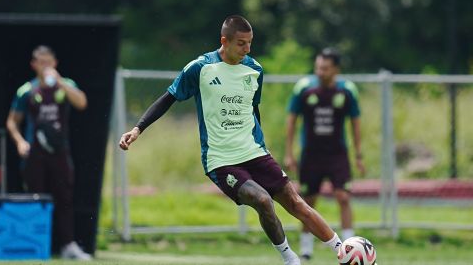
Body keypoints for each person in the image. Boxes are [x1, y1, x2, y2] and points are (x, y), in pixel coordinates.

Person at [119, 15, 342, 265]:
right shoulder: (201, 68)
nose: (247, 49)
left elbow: (253, 111)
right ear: (224, 41)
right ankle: (291, 259)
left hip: (255, 152)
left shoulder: (254, 70)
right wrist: (138, 129)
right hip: (221, 160)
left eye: (250, 43)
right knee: (263, 200)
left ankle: (344, 252)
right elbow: (168, 98)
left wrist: (261, 146)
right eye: (241, 43)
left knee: (295, 202)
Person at [6, 45, 91, 260]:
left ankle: (67, 246)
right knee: (36, 198)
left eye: (49, 62)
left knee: (64, 199)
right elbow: (12, 122)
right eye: (41, 63)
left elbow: (82, 103)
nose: (45, 67)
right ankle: (35, 245)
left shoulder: (66, 85)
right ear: (33, 65)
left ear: (55, 63)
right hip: (35, 153)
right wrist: (19, 142)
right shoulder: (27, 90)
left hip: (60, 151)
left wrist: (59, 80)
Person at [284, 48, 365, 260]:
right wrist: (289, 153)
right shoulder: (304, 88)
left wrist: (358, 154)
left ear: (336, 70)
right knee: (308, 200)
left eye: (325, 68)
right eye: (318, 67)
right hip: (311, 154)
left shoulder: (347, 91)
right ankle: (306, 248)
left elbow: (355, 123)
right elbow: (292, 119)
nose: (320, 72)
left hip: (337, 154)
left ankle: (350, 247)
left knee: (343, 197)